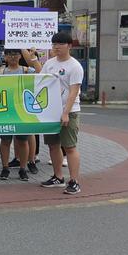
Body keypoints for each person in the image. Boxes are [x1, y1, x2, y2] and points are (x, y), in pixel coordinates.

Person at [39, 32, 84, 195]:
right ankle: (58, 177)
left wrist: (65, 113)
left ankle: (74, 181)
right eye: (54, 44)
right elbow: (41, 80)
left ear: (69, 46)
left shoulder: (75, 66)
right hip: (51, 111)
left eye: (60, 44)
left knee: (69, 146)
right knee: (53, 145)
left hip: (69, 112)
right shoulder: (49, 63)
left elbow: (74, 92)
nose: (56, 47)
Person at [0, 48, 38, 181]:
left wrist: (33, 59)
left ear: (20, 56)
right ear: (5, 57)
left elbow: (41, 73)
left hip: (22, 112)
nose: (13, 57)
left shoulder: (27, 71)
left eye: (15, 54)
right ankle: (5, 168)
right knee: (5, 140)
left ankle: (23, 168)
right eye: (9, 54)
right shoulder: (0, 72)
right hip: (6, 111)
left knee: (23, 141)